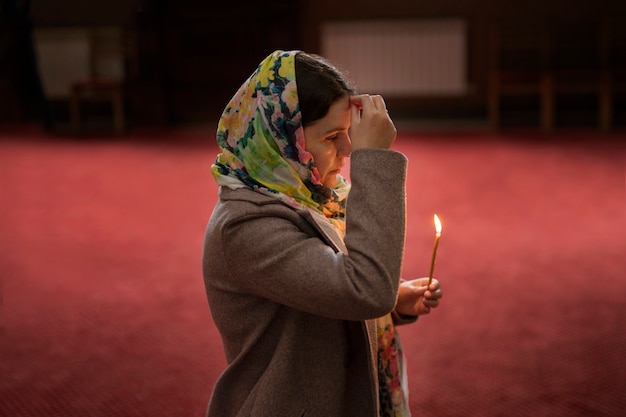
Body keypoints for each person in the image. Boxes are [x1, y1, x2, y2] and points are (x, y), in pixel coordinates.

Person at [201, 49, 443, 417]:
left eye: (348, 134)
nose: (347, 150)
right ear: (280, 139)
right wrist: (375, 160)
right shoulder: (244, 227)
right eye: (332, 137)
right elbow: (365, 289)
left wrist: (390, 305)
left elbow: (333, 289)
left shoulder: (311, 195)